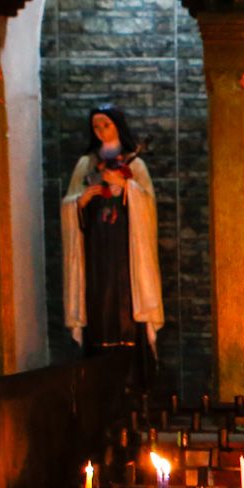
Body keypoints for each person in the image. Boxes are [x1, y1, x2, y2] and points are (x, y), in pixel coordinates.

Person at [60, 103, 163, 370]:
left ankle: (134, 360)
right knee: (98, 295)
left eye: (106, 124)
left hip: (126, 247)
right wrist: (80, 202)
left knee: (126, 295)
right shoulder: (87, 164)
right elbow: (69, 202)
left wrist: (125, 185)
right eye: (96, 126)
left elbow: (149, 204)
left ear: (117, 125)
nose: (101, 130)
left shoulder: (134, 163)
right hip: (96, 246)